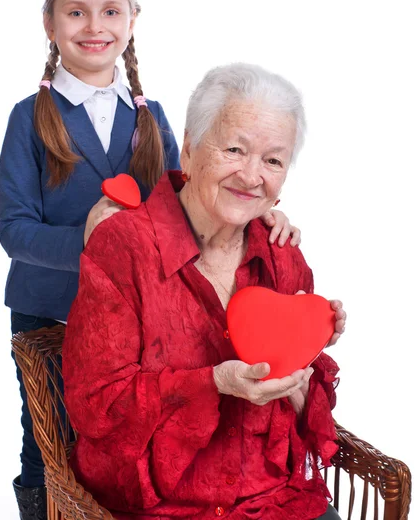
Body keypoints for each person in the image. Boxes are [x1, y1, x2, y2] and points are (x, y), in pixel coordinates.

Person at [0, 0, 300, 520]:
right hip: (51, 313)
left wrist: (259, 216)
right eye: (76, 12)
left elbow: (192, 196)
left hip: (137, 318)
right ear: (49, 23)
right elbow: (13, 231)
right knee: (49, 447)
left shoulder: (149, 114)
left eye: (110, 11)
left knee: (133, 434)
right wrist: (86, 242)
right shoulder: (28, 118)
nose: (94, 27)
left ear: (132, 19)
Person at [63, 62, 347, 520]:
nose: (252, 176)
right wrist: (214, 384)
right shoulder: (125, 247)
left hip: (272, 499)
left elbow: (305, 412)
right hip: (160, 505)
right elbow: (96, 406)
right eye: (235, 149)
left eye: (273, 160)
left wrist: (308, 357)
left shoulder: (283, 255)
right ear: (191, 150)